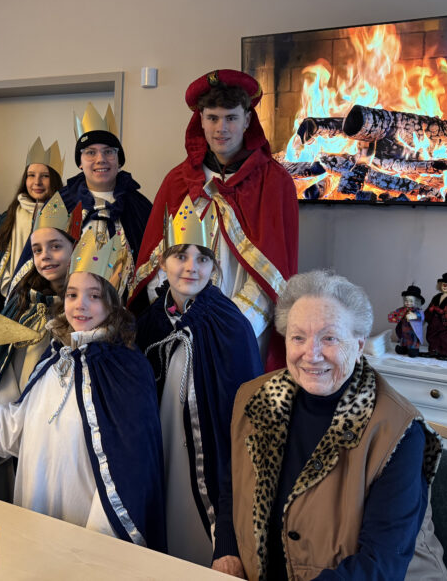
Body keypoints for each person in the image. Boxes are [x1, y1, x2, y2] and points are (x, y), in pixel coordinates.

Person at [0, 230, 165, 551]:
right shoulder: (57, 356)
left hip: (86, 531)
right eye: (72, 294)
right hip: (37, 509)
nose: (80, 305)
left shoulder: (127, 369)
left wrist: (98, 542)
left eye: (94, 296)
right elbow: (21, 424)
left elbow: (131, 469)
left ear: (113, 304)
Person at [220, 270, 446, 580]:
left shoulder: (399, 433)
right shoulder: (253, 399)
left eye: (329, 338)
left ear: (358, 344)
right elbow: (233, 485)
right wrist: (226, 551)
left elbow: (380, 566)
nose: (311, 355)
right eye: (298, 337)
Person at [130, 70, 298, 367]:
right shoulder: (178, 181)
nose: (222, 128)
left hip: (242, 329)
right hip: (178, 327)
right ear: (200, 121)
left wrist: (231, 325)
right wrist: (174, 316)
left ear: (247, 120)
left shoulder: (274, 181)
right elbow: (158, 261)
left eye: (231, 118)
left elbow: (273, 273)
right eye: (213, 118)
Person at [136, 198, 262, 567]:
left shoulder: (230, 324)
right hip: (160, 446)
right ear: (163, 263)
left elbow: (241, 414)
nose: (191, 267)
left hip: (209, 456)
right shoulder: (149, 321)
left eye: (202, 258)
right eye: (180, 256)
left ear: (214, 266)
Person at [0, 192, 79, 501]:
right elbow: (0, 366)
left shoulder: (85, 310)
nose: (45, 257)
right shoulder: (23, 301)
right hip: (14, 420)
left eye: (56, 247)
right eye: (37, 250)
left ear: (75, 249)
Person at [59, 102, 152, 297]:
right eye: (90, 152)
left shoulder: (140, 206)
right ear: (80, 163)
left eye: (109, 151)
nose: (101, 159)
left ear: (119, 161)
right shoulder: (61, 204)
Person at [0, 138, 63, 310]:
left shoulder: (64, 216)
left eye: (45, 176)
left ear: (54, 179)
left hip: (51, 299)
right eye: (31, 175)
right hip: (11, 297)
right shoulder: (9, 216)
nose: (37, 182)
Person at [421, 272, 447, 361]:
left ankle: (446, 353)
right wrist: (423, 319)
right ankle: (433, 350)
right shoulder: (436, 297)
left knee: (444, 339)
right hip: (433, 321)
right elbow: (429, 308)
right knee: (431, 336)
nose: (445, 286)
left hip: (445, 323)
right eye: (443, 284)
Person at [388, 284, 425, 357]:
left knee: (413, 343)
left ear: (416, 302)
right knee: (404, 340)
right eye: (406, 301)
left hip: (413, 333)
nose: (408, 303)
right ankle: (404, 348)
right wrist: (393, 316)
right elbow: (395, 314)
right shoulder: (402, 310)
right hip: (404, 332)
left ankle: (413, 349)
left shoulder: (417, 311)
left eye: (411, 301)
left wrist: (414, 315)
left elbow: (422, 316)